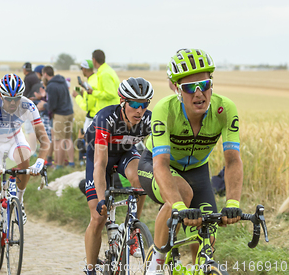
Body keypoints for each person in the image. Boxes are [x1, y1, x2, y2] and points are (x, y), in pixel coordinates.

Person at [138, 49, 243, 275]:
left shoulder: (225, 109)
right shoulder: (164, 110)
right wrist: (178, 206)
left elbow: (233, 160)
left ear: (211, 84)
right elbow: (161, 164)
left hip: (197, 171)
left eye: (204, 84)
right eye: (189, 87)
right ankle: (155, 263)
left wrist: (233, 203)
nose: (198, 93)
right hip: (155, 166)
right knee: (182, 194)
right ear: (176, 88)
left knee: (207, 236)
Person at [0, 74, 50, 265]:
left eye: (17, 98)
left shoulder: (28, 105)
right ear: (1, 96)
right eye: (8, 99)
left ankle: (19, 201)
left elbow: (45, 141)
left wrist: (40, 162)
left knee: (25, 156)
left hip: (14, 139)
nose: (13, 103)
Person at [83, 78, 153, 274]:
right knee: (98, 217)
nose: (140, 110)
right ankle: (90, 267)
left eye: (145, 104)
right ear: (123, 102)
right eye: (135, 104)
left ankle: (133, 227)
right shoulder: (106, 119)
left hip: (124, 153)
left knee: (142, 178)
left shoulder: (148, 120)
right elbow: (100, 164)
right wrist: (101, 198)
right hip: (98, 157)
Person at [41, 65, 75, 168]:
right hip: (69, 112)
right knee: (68, 138)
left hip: (60, 115)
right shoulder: (62, 81)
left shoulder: (51, 86)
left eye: (43, 74)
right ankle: (72, 163)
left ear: (45, 74)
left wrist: (43, 105)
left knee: (59, 140)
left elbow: (52, 106)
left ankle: (59, 165)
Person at [73, 59, 99, 133]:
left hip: (92, 116)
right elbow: (92, 97)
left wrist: (77, 96)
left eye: (81, 68)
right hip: (98, 114)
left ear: (84, 69)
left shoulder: (91, 83)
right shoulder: (95, 78)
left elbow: (87, 106)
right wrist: (82, 93)